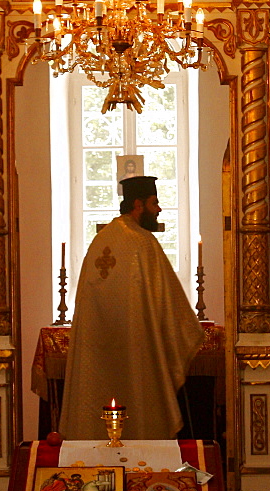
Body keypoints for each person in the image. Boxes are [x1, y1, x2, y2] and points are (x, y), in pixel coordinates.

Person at [59, 176, 203, 440]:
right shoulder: (142, 242)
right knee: (140, 403)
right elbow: (170, 305)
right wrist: (189, 330)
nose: (158, 209)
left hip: (98, 352)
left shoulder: (100, 241)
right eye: (154, 203)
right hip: (137, 352)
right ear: (138, 204)